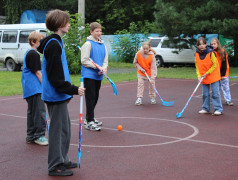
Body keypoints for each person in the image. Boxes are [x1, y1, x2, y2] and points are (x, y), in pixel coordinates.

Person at [37, 9, 85, 176]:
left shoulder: (56, 42)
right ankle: (54, 165)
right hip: (54, 94)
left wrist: (68, 93)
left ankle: (62, 159)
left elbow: (59, 73)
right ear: (59, 25)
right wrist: (72, 90)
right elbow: (55, 77)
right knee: (57, 131)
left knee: (65, 129)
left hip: (59, 94)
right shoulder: (53, 45)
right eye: (67, 21)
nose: (69, 24)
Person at [21, 31, 48, 146]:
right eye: (40, 41)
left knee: (32, 112)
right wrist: (45, 85)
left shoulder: (29, 53)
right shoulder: (33, 54)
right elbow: (38, 72)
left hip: (29, 88)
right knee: (39, 112)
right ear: (33, 42)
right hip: (34, 88)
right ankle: (39, 135)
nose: (41, 43)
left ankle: (31, 135)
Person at [81, 22, 108, 131]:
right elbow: (84, 61)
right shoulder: (88, 44)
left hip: (99, 75)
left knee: (95, 97)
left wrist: (104, 68)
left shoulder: (103, 45)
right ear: (91, 32)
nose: (99, 33)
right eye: (97, 31)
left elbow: (105, 60)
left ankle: (89, 118)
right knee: (90, 97)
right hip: (89, 75)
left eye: (100, 31)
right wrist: (96, 67)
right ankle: (89, 121)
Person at [195, 37, 223, 115]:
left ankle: (218, 109)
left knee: (215, 93)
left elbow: (215, 65)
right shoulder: (196, 54)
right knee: (205, 94)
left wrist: (207, 73)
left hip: (213, 75)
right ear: (197, 46)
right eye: (199, 44)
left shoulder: (211, 53)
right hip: (203, 77)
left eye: (203, 44)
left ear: (206, 44)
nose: (201, 46)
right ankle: (205, 108)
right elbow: (197, 65)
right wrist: (198, 75)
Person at [210, 38, 234, 106]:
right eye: (212, 44)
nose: (213, 45)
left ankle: (228, 100)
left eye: (214, 44)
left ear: (218, 44)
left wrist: (221, 74)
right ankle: (214, 99)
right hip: (215, 73)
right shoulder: (211, 52)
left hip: (223, 73)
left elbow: (224, 64)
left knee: (225, 87)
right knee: (215, 87)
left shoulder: (223, 51)